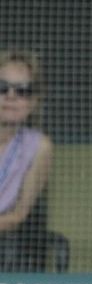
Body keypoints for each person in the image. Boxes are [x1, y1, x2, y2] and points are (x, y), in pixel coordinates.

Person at [0, 49, 53, 271]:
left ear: (33, 102)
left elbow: (19, 215)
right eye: (2, 88)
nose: (10, 96)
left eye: (22, 91)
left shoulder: (39, 146)